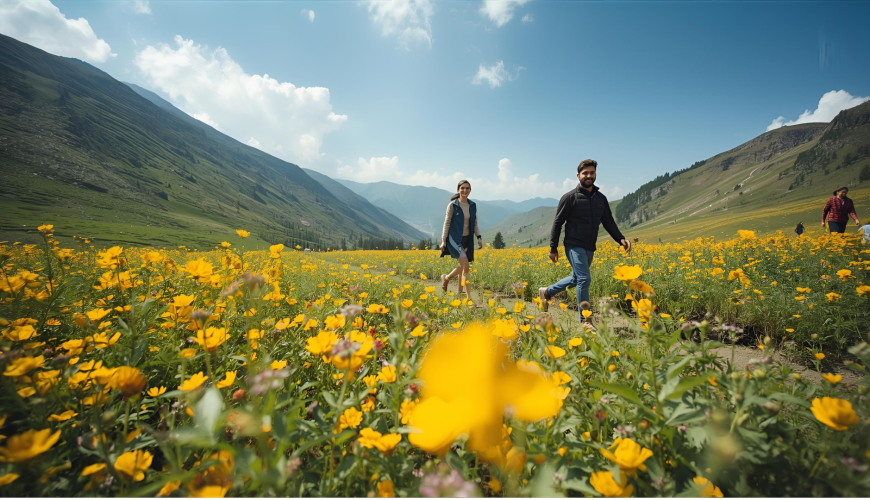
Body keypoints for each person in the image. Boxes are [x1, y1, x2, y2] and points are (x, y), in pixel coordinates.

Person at [539, 159, 631, 320]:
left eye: (592, 172)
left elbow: (608, 221)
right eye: (585, 173)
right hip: (573, 245)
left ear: (595, 174)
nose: (589, 176)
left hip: (590, 246)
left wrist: (621, 239)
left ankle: (547, 292)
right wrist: (553, 248)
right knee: (584, 278)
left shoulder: (601, 199)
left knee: (576, 278)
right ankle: (585, 321)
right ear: (578, 176)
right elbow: (558, 223)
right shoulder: (569, 197)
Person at [440, 180, 482, 302]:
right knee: (466, 266)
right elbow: (446, 223)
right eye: (462, 188)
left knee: (463, 266)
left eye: (467, 188)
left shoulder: (473, 205)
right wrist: (443, 241)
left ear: (470, 190)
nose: (465, 190)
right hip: (454, 239)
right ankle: (468, 298)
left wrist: (479, 237)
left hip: (467, 240)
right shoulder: (453, 205)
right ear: (458, 190)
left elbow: (474, 224)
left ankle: (448, 280)